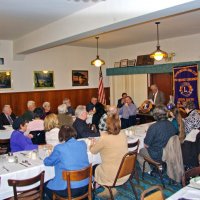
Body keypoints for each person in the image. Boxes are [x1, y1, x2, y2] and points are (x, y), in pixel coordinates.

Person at [43, 125, 89, 200]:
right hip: (86, 185)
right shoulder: (83, 144)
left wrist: (48, 157)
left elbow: (47, 162)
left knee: (44, 186)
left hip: (69, 189)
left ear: (61, 136)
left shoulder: (59, 148)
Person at [89, 112, 128, 197]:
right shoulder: (123, 134)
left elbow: (93, 151)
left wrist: (91, 144)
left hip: (112, 174)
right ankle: (108, 188)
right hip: (125, 170)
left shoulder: (105, 137)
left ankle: (108, 188)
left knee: (93, 167)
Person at [137, 105, 177, 172]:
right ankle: (160, 165)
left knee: (139, 152)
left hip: (158, 155)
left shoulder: (153, 127)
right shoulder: (171, 124)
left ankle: (149, 171)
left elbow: (146, 145)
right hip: (170, 152)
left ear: (155, 115)